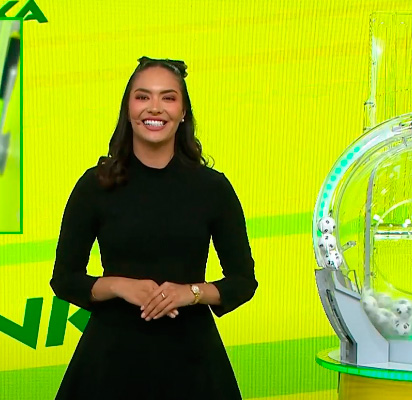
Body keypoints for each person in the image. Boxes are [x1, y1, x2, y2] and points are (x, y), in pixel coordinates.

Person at [50, 56, 258, 399]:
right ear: (128, 108)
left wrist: (190, 293)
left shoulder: (212, 188)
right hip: (110, 362)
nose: (155, 107)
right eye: (143, 96)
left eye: (168, 97)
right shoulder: (95, 185)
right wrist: (119, 286)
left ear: (183, 112)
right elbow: (64, 279)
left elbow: (242, 281)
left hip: (193, 363)